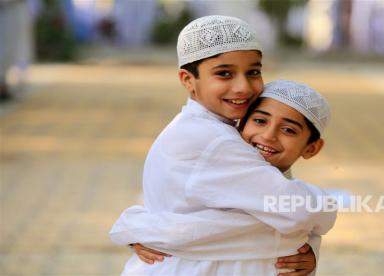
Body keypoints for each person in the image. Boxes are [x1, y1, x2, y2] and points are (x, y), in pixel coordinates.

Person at [110, 15, 336, 275]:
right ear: (187, 80)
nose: (242, 87)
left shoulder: (216, 129)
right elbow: (299, 212)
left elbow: (221, 224)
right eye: (224, 73)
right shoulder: (212, 140)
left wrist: (141, 227)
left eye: (253, 72)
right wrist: (320, 214)